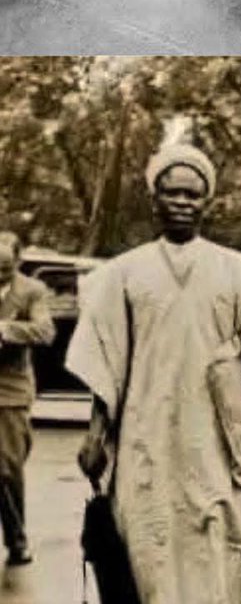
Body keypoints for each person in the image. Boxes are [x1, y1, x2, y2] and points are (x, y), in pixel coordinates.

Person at [66, 140, 241, 604]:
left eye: (192, 195)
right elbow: (107, 360)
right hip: (143, 436)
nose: (182, 203)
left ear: (206, 203)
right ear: (154, 200)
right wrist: (95, 435)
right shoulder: (123, 273)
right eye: (172, 193)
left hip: (215, 437)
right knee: (146, 545)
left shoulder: (238, 271)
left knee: (218, 546)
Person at [0, 231, 56, 568]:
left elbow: (45, 332)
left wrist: (5, 330)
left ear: (18, 263)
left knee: (5, 469)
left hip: (9, 392)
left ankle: (17, 539)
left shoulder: (32, 291)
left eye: (5, 269)